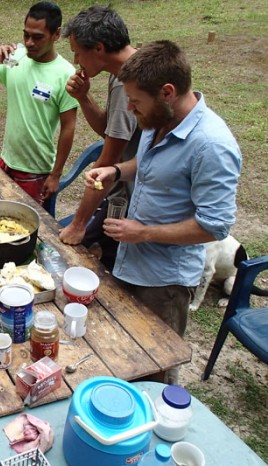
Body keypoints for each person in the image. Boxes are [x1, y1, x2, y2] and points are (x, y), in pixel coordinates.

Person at [86, 40, 242, 383]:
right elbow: (149, 164)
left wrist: (144, 232)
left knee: (155, 376)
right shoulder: (158, 119)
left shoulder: (212, 146)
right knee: (123, 358)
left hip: (165, 283)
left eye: (136, 101)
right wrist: (117, 171)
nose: (130, 107)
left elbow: (215, 226)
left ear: (168, 92)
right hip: (131, 262)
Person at [0, 1, 78, 209]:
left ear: (56, 34)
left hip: (36, 170)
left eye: (37, 37)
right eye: (26, 35)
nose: (29, 42)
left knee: (33, 231)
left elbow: (68, 127)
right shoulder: (16, 58)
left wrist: (55, 175)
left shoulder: (65, 74)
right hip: (6, 161)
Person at [58, 5, 141, 270]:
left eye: (78, 52)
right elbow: (110, 131)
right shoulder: (126, 70)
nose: (76, 60)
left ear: (99, 48)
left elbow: (108, 160)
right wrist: (83, 97)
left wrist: (78, 224)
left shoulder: (127, 81)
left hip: (138, 196)